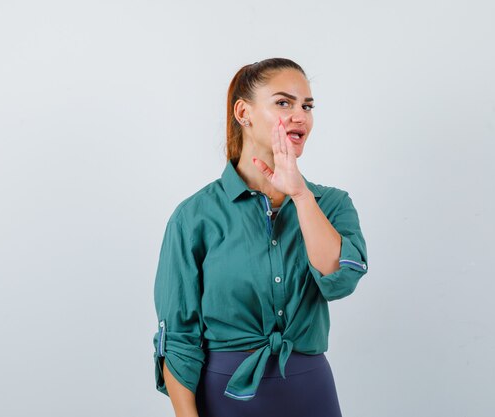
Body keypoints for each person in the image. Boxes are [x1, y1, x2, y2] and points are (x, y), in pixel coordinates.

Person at [152, 58, 369, 417]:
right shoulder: (195, 217)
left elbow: (339, 280)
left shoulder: (331, 204)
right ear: (243, 112)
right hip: (225, 397)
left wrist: (301, 196)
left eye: (307, 106)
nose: (300, 116)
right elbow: (178, 338)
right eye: (284, 103)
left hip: (310, 393)